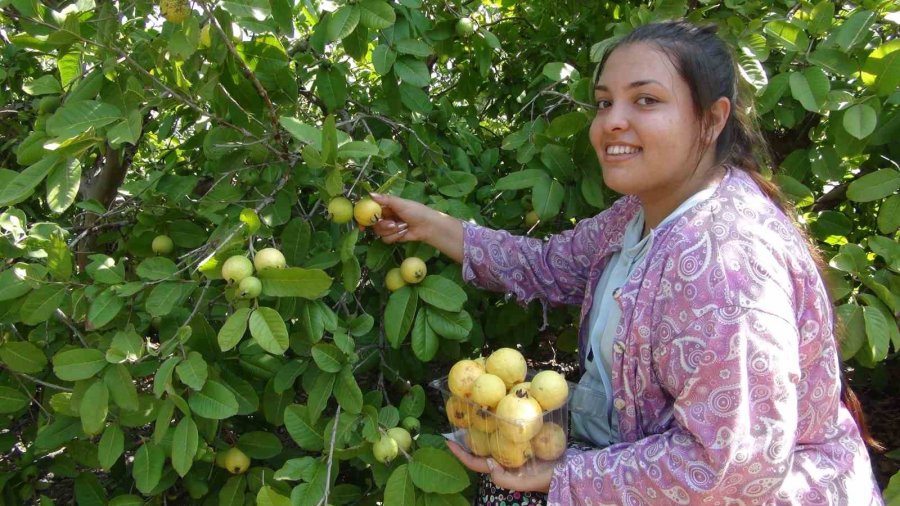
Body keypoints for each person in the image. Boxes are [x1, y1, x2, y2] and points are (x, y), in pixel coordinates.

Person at [371, 20, 883, 506]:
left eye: (646, 100)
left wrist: (565, 474)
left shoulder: (726, 262)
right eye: (603, 102)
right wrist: (428, 225)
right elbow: (546, 264)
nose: (612, 120)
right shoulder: (640, 214)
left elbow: (733, 469)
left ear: (713, 118)